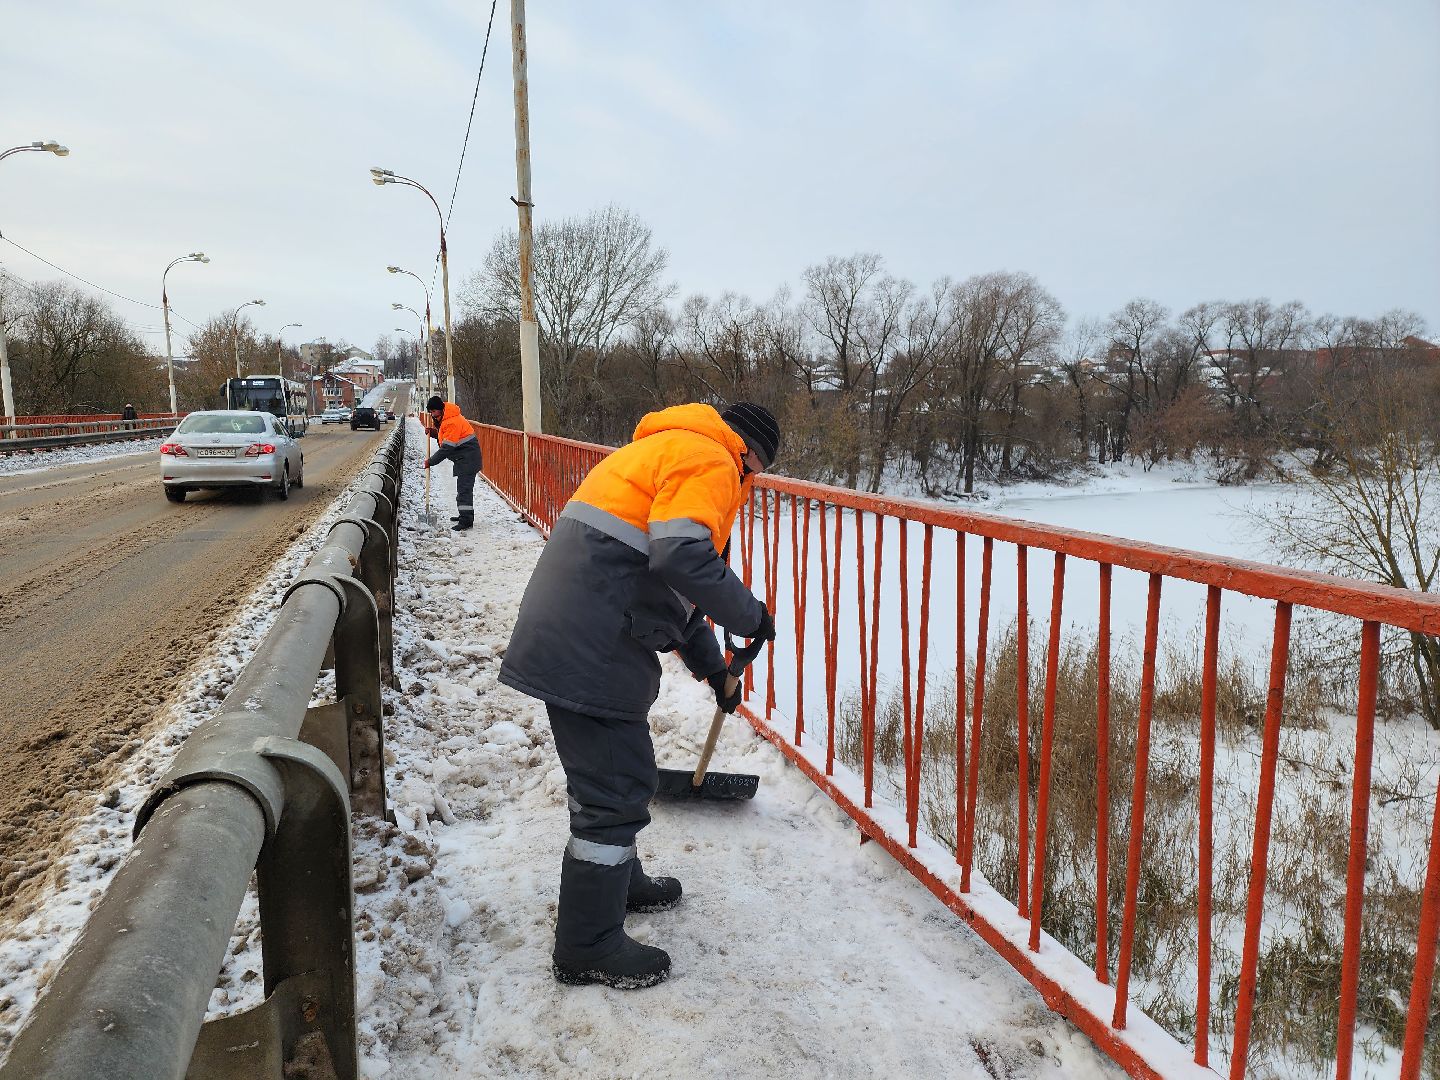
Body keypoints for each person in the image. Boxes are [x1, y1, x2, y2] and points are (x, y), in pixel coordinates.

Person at [498, 401, 781, 989]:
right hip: (591, 644)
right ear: (749, 456)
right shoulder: (713, 459)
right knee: (615, 787)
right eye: (755, 474)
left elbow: (670, 598)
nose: (747, 484)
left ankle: (621, 885)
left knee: (614, 771)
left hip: (583, 630)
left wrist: (716, 673)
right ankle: (586, 945)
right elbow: (680, 555)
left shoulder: (666, 449)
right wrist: (752, 615)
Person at [421, 395, 482, 531]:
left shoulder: (452, 422)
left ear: (441, 409)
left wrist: (430, 462)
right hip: (464, 458)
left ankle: (466, 521)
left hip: (468, 459)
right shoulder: (447, 418)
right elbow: (447, 436)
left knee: (464, 491)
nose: (433, 415)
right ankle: (464, 515)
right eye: (431, 412)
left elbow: (447, 448)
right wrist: (433, 433)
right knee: (463, 490)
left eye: (434, 412)